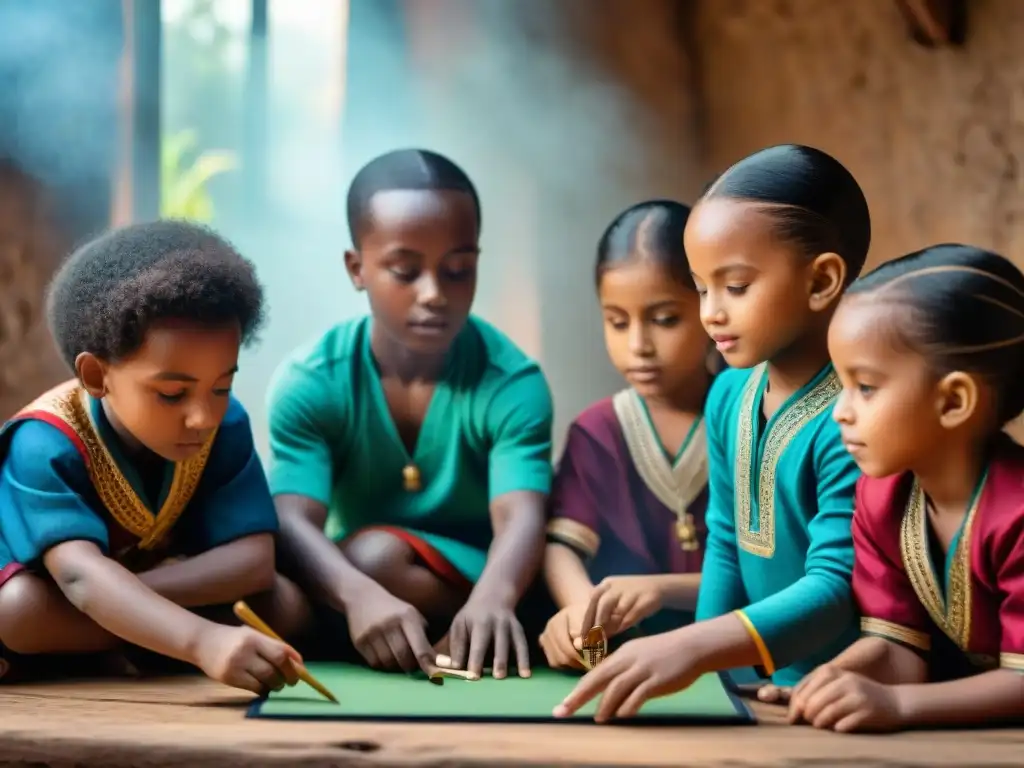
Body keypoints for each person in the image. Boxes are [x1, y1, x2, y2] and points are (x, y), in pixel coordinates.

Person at [553, 144, 870, 722]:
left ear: (821, 281)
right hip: (762, 686)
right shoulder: (729, 394)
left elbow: (836, 584)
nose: (711, 313)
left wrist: (690, 648)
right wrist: (706, 673)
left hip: (851, 683)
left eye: (736, 287)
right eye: (701, 289)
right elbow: (726, 541)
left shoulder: (852, 416)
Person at [267, 148, 554, 681]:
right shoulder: (311, 381)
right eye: (405, 270)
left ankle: (482, 630)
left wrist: (492, 599)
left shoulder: (512, 383)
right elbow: (290, 519)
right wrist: (358, 597)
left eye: (458, 270)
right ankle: (424, 637)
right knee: (287, 584)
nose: (434, 294)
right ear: (357, 268)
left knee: (374, 557)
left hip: (490, 578)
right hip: (358, 578)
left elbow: (521, 517)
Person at [0, 220, 306, 693]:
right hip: (56, 600)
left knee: (285, 601)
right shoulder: (44, 441)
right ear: (97, 375)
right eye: (171, 393)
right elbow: (79, 578)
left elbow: (252, 561)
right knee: (19, 611)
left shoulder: (226, 425)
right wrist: (201, 639)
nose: (203, 416)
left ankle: (131, 637)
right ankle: (146, 640)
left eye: (222, 386)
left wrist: (129, 599)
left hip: (101, 608)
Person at [764, 244, 1024, 733]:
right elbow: (900, 649)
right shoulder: (881, 499)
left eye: (864, 386)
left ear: (953, 401)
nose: (840, 411)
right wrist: (829, 680)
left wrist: (900, 706)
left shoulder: (1017, 513)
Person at [540, 200, 717, 670]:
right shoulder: (599, 432)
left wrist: (659, 588)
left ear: (711, 304)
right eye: (618, 322)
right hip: (628, 650)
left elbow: (776, 575)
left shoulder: (748, 418)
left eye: (664, 320)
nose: (637, 345)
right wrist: (581, 613)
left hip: (736, 649)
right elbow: (562, 548)